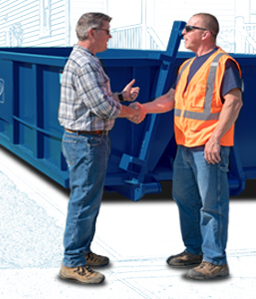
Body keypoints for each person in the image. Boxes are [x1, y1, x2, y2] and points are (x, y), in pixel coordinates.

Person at [130, 13, 243, 280]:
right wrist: (142, 108)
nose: (183, 33)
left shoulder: (223, 63)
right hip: (185, 146)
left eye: (189, 29)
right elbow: (171, 99)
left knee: (211, 205)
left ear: (206, 33)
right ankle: (195, 251)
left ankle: (215, 261)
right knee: (185, 199)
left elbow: (234, 102)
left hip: (208, 147)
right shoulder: (186, 66)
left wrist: (215, 139)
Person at [58, 12, 141, 284]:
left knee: (89, 200)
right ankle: (72, 261)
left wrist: (120, 97)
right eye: (107, 31)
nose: (110, 36)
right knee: (83, 202)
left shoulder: (89, 61)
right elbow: (102, 107)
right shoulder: (84, 64)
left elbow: (97, 99)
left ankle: (82, 250)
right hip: (85, 141)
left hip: (89, 140)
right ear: (92, 33)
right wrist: (130, 111)